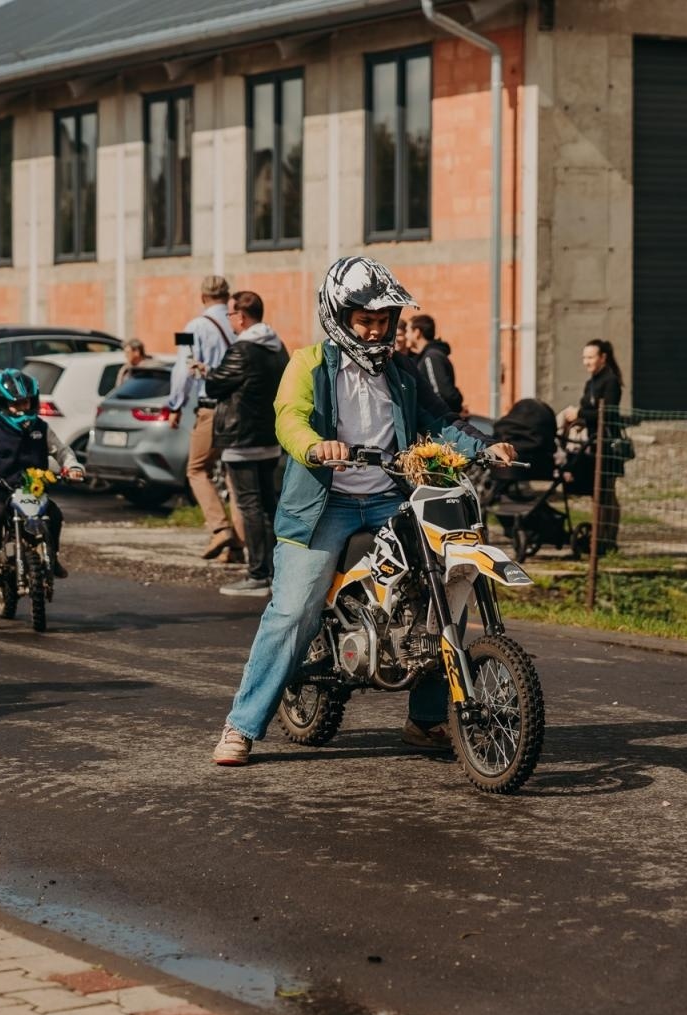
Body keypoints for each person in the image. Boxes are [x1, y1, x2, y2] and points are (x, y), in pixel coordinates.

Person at [211, 256, 516, 767]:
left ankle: (426, 720)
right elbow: (290, 417)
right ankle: (241, 725)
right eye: (366, 321)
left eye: (383, 321)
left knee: (441, 589)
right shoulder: (308, 363)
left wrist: (486, 446)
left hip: (390, 499)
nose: (376, 331)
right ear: (340, 316)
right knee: (294, 610)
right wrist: (314, 447)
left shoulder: (402, 372)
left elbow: (436, 421)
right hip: (323, 503)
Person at [0, 369, 85, 581]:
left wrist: (73, 467)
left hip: (35, 491)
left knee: (55, 515)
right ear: (1, 404)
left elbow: (63, 451)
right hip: (4, 490)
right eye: (16, 404)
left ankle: (53, 557)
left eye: (26, 402)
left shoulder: (42, 428)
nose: (23, 408)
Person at [206, 291, 289, 598]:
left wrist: (207, 373)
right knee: (268, 506)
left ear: (241, 316)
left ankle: (257, 575)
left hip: (242, 439)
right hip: (269, 436)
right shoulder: (278, 346)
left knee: (250, 506)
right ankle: (276, 571)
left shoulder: (242, 348)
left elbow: (215, 384)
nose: (229, 321)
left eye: (229, 315)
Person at [165, 275, 245, 563]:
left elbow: (182, 368)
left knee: (197, 469)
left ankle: (220, 528)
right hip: (239, 409)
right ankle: (238, 544)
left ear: (202, 298)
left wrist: (175, 404)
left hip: (211, 409)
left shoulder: (193, 327)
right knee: (233, 474)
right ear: (228, 296)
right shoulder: (240, 323)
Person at [561, 339, 626, 553]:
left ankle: (608, 540)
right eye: (584, 357)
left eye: (590, 357)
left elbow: (607, 412)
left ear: (602, 358)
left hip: (606, 444)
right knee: (598, 493)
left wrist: (579, 414)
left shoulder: (610, 381)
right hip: (591, 444)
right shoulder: (592, 382)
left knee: (606, 492)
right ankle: (599, 537)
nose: (586, 362)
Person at [405, 314, 464, 415]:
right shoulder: (429, 355)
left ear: (417, 333)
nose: (406, 336)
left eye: (408, 331)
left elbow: (442, 393)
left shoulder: (431, 357)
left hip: (441, 422)